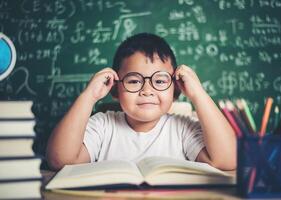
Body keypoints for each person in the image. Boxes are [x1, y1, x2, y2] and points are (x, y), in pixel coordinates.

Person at [46, 33, 236, 171]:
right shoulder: (102, 125)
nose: (147, 90)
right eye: (134, 81)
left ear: (176, 90)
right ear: (115, 89)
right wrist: (89, 95)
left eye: (160, 81)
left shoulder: (182, 128)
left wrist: (198, 94)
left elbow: (228, 160)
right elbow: (59, 160)